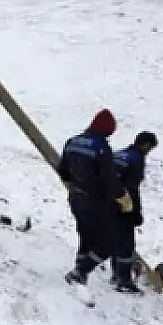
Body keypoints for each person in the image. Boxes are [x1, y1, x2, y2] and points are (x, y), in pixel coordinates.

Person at [57, 108, 134, 286]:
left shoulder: (72, 141)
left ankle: (80, 274)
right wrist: (123, 198)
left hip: (76, 198)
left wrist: (76, 185)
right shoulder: (101, 148)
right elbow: (109, 178)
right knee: (109, 243)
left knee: (86, 236)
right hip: (95, 201)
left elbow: (62, 171)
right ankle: (80, 271)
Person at [108, 130, 158, 294]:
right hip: (124, 206)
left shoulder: (119, 154)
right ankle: (124, 281)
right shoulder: (136, 160)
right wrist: (136, 212)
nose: (149, 152)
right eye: (150, 148)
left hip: (108, 203)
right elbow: (132, 189)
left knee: (115, 240)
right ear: (145, 145)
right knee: (126, 245)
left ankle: (115, 275)